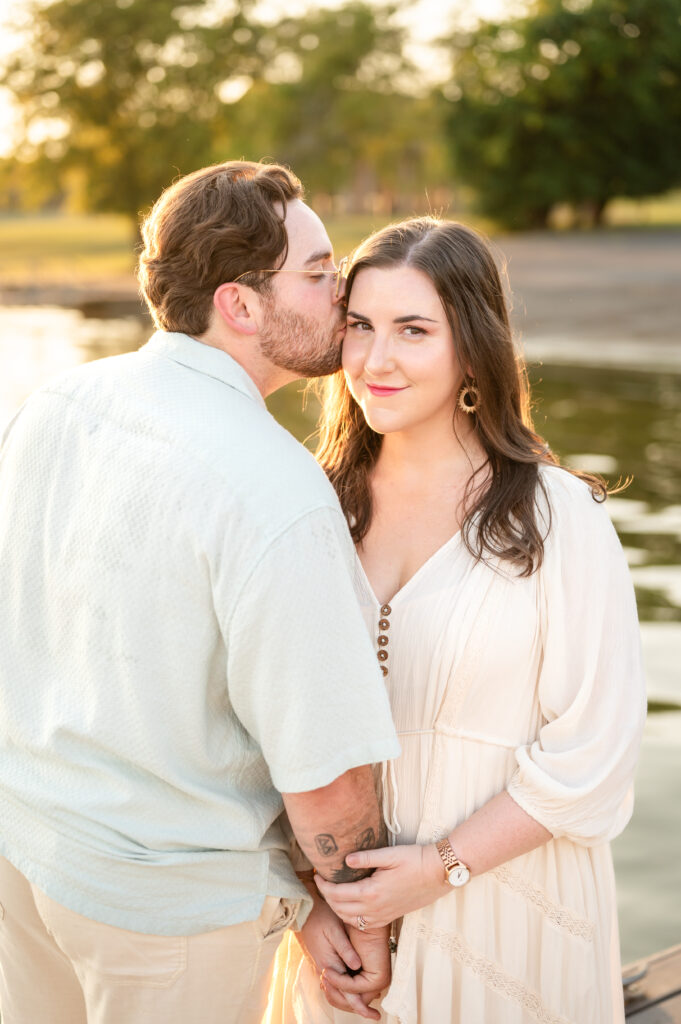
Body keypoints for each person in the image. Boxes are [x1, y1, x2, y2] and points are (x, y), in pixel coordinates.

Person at [0, 160, 402, 1024]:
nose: (343, 293)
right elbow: (326, 770)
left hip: (24, 856)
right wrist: (360, 913)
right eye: (318, 272)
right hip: (165, 913)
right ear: (240, 305)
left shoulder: (56, 403)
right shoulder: (276, 490)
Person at [265, 217, 646, 1024]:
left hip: (507, 912)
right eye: (359, 326)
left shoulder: (558, 518)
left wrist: (439, 868)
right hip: (342, 934)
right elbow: (258, 730)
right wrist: (311, 905)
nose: (375, 360)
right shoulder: (305, 507)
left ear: (472, 349)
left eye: (413, 330)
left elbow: (594, 753)